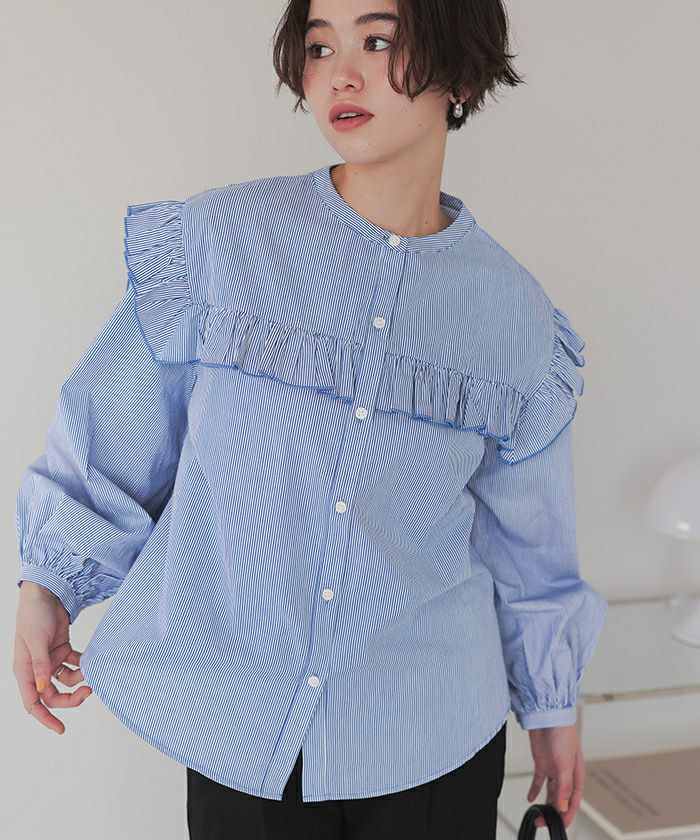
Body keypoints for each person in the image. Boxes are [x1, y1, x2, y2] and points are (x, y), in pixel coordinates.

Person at [13, 0, 608, 837]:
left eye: (378, 40)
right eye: (320, 46)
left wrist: (552, 706)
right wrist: (49, 583)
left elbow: (531, 545)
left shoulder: (515, 317)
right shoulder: (221, 242)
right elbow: (111, 432)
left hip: (431, 740)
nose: (341, 75)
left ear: (460, 69)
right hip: (242, 734)